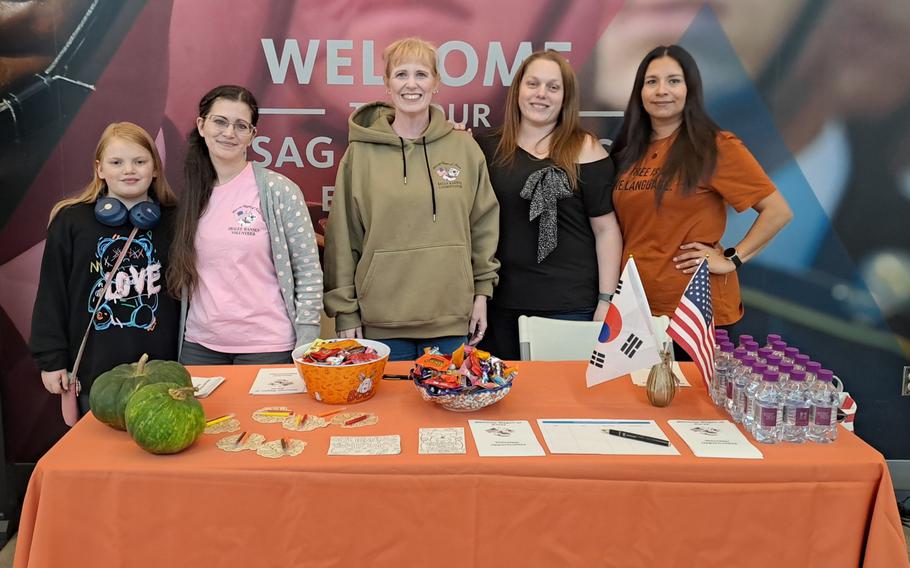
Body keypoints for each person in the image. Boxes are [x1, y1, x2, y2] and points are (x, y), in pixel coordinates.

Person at [323, 37, 500, 362]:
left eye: (421, 74)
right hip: (379, 322)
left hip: (449, 318)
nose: (411, 84)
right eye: (401, 74)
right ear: (387, 84)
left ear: (436, 84)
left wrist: (481, 295)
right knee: (388, 414)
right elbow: (343, 235)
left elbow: (483, 228)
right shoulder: (360, 153)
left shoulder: (464, 149)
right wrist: (345, 311)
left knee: (444, 411)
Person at [611, 45, 792, 342]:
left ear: (690, 89)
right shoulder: (628, 153)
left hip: (694, 312)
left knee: (693, 390)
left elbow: (778, 211)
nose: (661, 90)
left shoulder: (714, 147)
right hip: (635, 308)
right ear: (640, 92)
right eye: (651, 81)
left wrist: (732, 259)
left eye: (673, 81)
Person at [475, 50, 623, 361]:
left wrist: (606, 300)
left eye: (553, 87)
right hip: (501, 306)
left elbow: (606, 229)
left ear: (565, 97)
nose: (541, 94)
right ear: (518, 91)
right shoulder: (485, 148)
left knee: (563, 403)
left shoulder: (586, 148)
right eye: (533, 84)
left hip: (570, 307)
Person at [29, 121, 179, 415]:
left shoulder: (175, 221)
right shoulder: (71, 221)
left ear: (156, 168)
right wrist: (51, 360)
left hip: (163, 368)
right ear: (100, 169)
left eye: (139, 161)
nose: (129, 170)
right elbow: (52, 293)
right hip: (95, 373)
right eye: (116, 162)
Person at [167, 85, 322, 365]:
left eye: (241, 126)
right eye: (220, 121)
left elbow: (308, 270)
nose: (229, 133)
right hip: (200, 346)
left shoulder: (278, 190)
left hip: (268, 345)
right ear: (202, 125)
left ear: (252, 135)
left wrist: (307, 339)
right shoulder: (187, 194)